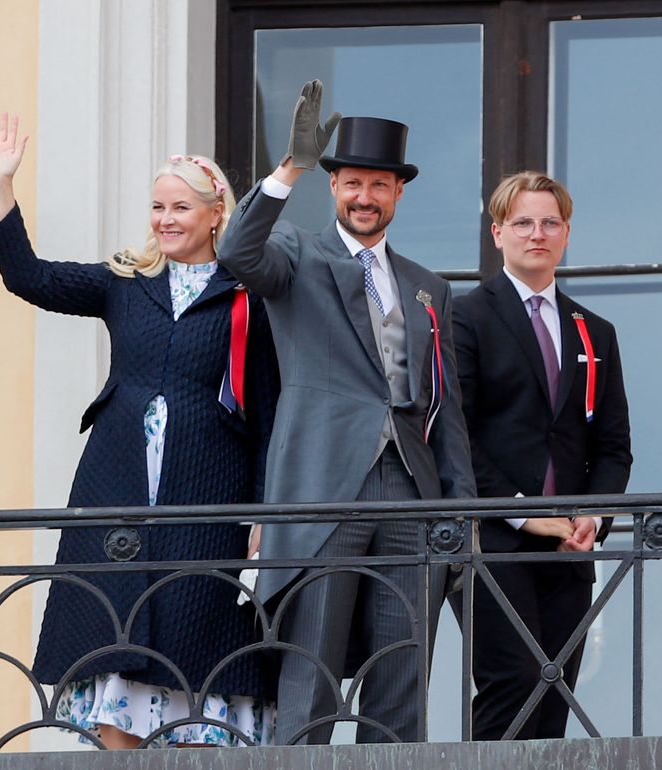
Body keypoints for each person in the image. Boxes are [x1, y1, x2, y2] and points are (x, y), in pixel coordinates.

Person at [0, 113, 279, 749]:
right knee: (119, 648)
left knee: (199, 653)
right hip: (117, 487)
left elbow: (267, 414)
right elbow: (29, 277)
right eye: (157, 207)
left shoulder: (248, 296)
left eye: (180, 208)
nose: (165, 219)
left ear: (216, 212)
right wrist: (0, 188)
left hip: (209, 493)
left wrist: (262, 513)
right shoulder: (124, 282)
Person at [216, 81, 476, 745]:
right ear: (333, 188)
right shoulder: (300, 255)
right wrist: (288, 169)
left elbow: (446, 411)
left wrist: (459, 513)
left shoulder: (427, 287)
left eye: (380, 185)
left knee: (403, 679)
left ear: (399, 193)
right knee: (312, 680)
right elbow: (236, 254)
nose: (365, 197)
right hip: (326, 488)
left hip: (411, 497)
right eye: (353, 182)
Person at [450, 171, 632, 740]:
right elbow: (455, 435)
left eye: (550, 223)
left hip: (569, 549)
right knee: (516, 681)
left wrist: (593, 516)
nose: (538, 234)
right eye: (524, 223)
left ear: (566, 234)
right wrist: (522, 510)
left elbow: (612, 445)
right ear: (498, 232)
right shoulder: (466, 317)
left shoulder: (594, 331)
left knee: (555, 693)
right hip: (493, 540)